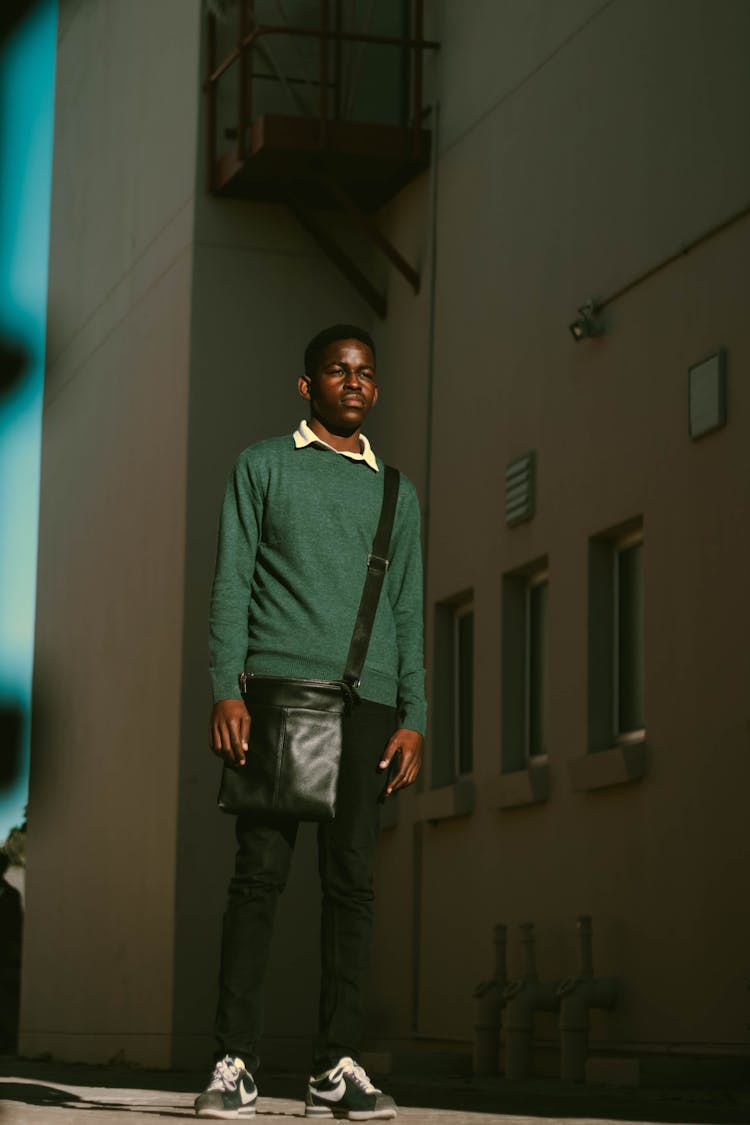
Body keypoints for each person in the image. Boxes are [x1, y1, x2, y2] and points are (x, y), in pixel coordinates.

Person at [196, 324, 426, 1120]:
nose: (354, 383)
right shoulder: (262, 466)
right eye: (337, 370)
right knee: (258, 878)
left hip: (368, 703)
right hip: (279, 695)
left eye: (365, 372)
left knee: (352, 886)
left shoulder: (397, 490)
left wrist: (415, 716)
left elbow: (407, 610)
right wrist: (228, 688)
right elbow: (230, 581)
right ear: (308, 385)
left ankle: (336, 1064)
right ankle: (234, 1063)